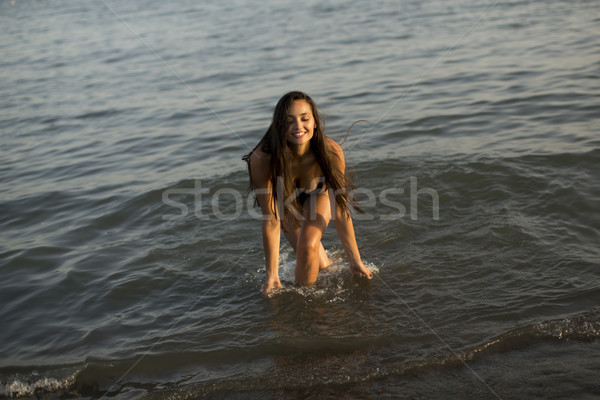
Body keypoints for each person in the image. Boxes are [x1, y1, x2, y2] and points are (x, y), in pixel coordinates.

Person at [243, 91, 373, 297]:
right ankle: (313, 290)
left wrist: (355, 260)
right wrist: (272, 275)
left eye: (305, 119)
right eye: (289, 121)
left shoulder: (330, 151)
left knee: (307, 245)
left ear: (315, 121)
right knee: (319, 264)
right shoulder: (262, 158)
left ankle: (309, 306)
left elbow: (339, 209)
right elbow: (271, 219)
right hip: (285, 201)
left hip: (317, 194)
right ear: (279, 125)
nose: (298, 127)